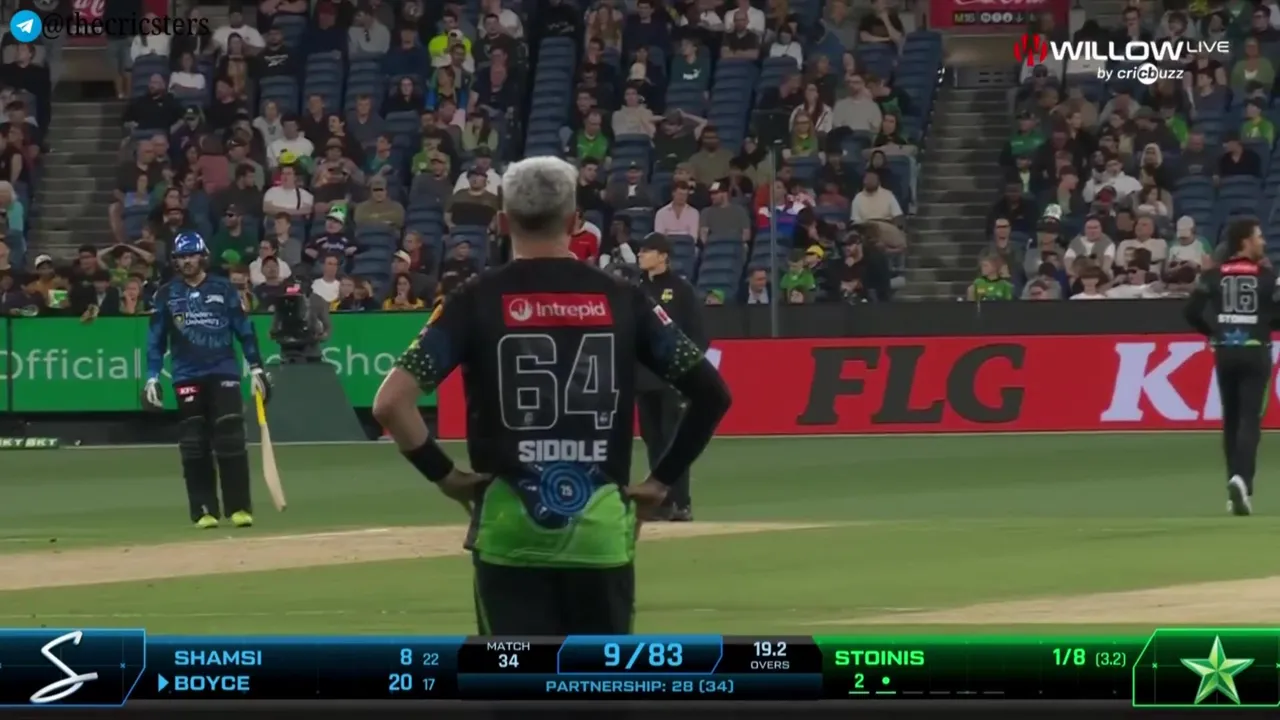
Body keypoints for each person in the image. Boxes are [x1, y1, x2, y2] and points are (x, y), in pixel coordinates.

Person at [371, 156, 731, 635]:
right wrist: (660, 482)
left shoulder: (473, 298)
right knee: (598, 680)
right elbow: (712, 394)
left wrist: (447, 477)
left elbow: (391, 403)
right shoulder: (624, 297)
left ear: (503, 221)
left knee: (517, 680)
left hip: (509, 534)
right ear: (575, 220)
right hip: (600, 536)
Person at [143, 232, 272, 529]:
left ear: (203, 256)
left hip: (223, 372)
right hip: (186, 375)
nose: (187, 261)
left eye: (191, 255)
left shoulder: (223, 288)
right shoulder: (166, 294)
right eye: (181, 257)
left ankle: (239, 508)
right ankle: (203, 510)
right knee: (193, 443)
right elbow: (155, 340)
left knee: (231, 439)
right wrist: (151, 377)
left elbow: (244, 331)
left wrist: (256, 368)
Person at [1183, 218, 1280, 517]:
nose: (1263, 241)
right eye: (1258, 236)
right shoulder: (1267, 276)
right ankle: (1243, 482)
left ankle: (1232, 488)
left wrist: (1213, 332)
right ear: (1245, 241)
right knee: (1250, 419)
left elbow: (1190, 312)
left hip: (1225, 352)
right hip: (1255, 352)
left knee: (1231, 420)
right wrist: (1264, 324)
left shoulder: (1213, 275)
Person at [635, 232, 706, 521]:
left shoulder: (681, 289)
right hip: (643, 379)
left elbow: (698, 335)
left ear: (663, 256)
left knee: (673, 442)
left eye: (647, 251)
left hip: (671, 379)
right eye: (641, 251)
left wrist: (686, 374)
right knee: (653, 442)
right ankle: (661, 502)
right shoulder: (638, 289)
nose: (641, 255)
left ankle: (681, 502)